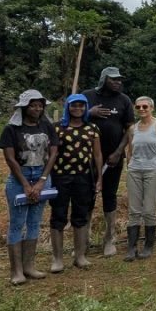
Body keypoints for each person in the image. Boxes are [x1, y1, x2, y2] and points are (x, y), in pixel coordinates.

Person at [0, 89, 59, 285]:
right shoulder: (11, 129)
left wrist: (41, 181)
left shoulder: (47, 126)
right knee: (17, 223)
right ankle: (16, 271)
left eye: (40, 105)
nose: (37, 108)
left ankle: (29, 266)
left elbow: (53, 153)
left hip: (42, 175)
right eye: (33, 105)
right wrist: (25, 184)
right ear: (24, 107)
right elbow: (9, 158)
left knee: (34, 222)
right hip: (20, 177)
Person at [82, 66, 135, 256]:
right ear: (104, 79)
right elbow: (71, 117)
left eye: (120, 80)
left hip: (113, 158)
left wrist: (119, 151)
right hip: (86, 158)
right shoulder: (87, 97)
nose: (118, 83)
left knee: (110, 195)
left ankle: (109, 239)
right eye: (114, 80)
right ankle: (83, 240)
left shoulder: (124, 100)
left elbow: (129, 128)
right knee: (87, 196)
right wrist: (89, 113)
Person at [49, 93, 102, 272]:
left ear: (86, 107)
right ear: (68, 107)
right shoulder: (57, 128)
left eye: (81, 105)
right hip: (60, 177)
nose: (78, 108)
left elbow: (97, 155)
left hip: (83, 178)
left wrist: (99, 178)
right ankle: (57, 259)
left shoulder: (92, 129)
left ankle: (80, 256)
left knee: (80, 216)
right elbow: (52, 154)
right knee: (58, 216)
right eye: (74, 105)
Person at [124, 96, 156, 261]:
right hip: (135, 171)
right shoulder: (132, 129)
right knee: (134, 210)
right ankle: (132, 247)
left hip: (153, 170)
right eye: (138, 107)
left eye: (145, 107)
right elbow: (129, 151)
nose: (142, 109)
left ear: (152, 108)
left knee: (149, 210)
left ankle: (149, 246)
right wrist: (129, 168)